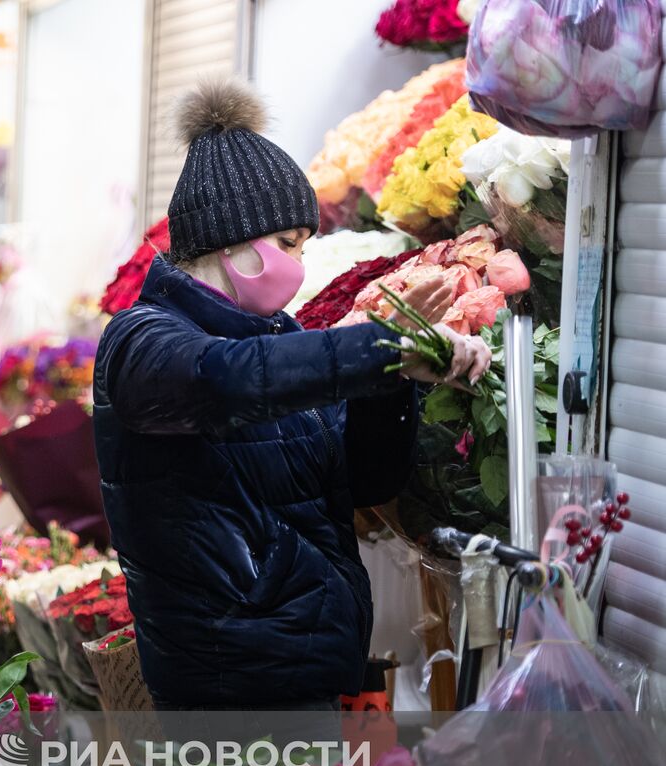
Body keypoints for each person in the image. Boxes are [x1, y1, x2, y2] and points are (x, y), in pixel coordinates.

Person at [93, 78, 491, 713]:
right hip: (226, 693)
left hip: (303, 676)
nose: (298, 266)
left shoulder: (280, 337)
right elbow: (221, 379)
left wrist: (393, 377)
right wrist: (375, 347)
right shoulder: (143, 342)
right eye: (286, 245)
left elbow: (363, 480)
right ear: (230, 241)